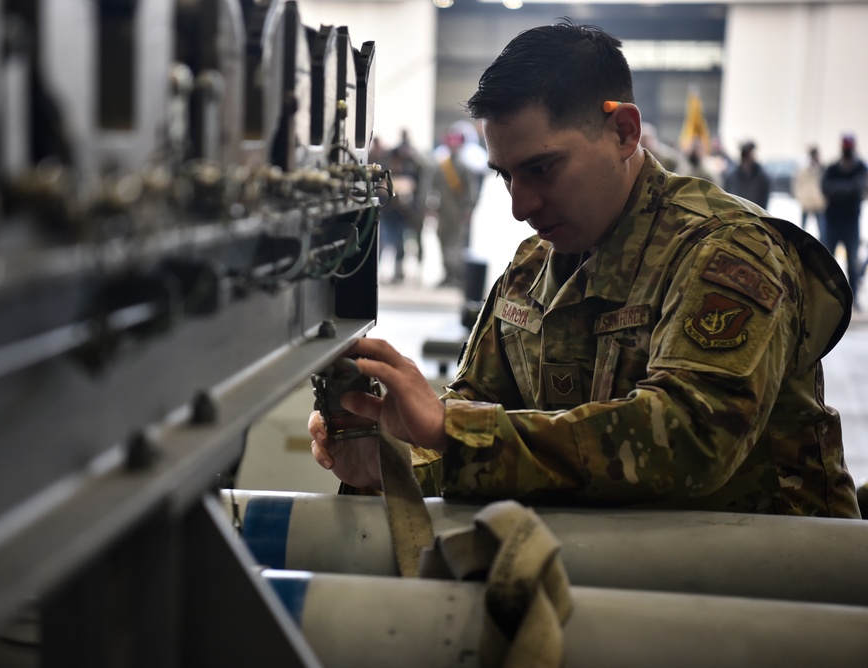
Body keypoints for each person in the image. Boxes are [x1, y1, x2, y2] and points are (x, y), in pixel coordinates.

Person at [309, 21, 860, 518]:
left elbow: (692, 439)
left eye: (542, 168)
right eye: (505, 176)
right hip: (618, 578)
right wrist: (388, 454)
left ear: (624, 132)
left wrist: (449, 433)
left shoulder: (727, 250)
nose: (520, 207)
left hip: (779, 591)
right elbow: (475, 411)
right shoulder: (532, 271)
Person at [428, 121, 486, 287]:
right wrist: (431, 208)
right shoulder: (440, 167)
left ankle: (456, 276)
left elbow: (471, 192)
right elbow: (433, 190)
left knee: (456, 245)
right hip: (443, 212)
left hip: (459, 212)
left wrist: (469, 209)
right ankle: (448, 275)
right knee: (443, 241)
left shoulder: (465, 167)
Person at [821, 133, 868, 305]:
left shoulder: (861, 167)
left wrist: (839, 190)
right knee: (827, 259)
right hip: (832, 220)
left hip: (851, 221)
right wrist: (848, 189)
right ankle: (826, 295)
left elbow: (860, 187)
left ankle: (853, 297)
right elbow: (825, 188)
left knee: (852, 260)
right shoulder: (833, 168)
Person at [377, 130, 429, 283]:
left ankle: (399, 272)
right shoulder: (387, 164)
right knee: (384, 240)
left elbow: (420, 183)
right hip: (388, 209)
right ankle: (380, 269)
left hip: (404, 210)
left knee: (401, 242)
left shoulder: (414, 165)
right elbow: (380, 187)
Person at [722, 141, 770, 209]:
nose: (748, 158)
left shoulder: (762, 178)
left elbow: (764, 202)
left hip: (755, 215)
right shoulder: (732, 177)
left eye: (750, 154)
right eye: (746, 155)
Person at [792, 146, 826, 235]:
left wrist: (822, 199)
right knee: (802, 229)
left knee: (822, 230)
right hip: (806, 202)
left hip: (818, 203)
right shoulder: (803, 171)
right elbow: (797, 185)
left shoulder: (822, 170)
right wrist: (801, 197)